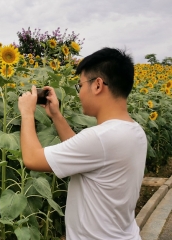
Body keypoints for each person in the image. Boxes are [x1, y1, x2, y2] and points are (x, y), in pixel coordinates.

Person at [18, 47, 147, 239]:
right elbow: (85, 155)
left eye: (80, 86)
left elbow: (32, 158)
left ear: (97, 85)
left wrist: (27, 113)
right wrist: (56, 115)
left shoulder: (101, 138)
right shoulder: (134, 131)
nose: (79, 94)